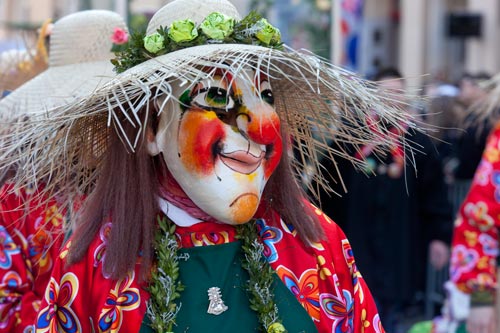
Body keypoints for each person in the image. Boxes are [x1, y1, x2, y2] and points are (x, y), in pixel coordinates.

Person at [1, 1, 423, 332]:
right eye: (217, 98)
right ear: (152, 131)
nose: (259, 125)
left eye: (266, 96)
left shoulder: (318, 245)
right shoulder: (95, 262)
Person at [0, 10, 128, 332]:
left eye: (118, 110)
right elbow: (6, 306)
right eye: (92, 112)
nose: (105, 127)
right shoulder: (16, 201)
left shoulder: (156, 188)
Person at [315, 67, 453, 331]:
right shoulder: (350, 139)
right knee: (355, 297)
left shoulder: (417, 142)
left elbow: (435, 195)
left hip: (400, 240)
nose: (393, 98)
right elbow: (324, 188)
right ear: (371, 96)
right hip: (357, 237)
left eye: (398, 92)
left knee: (390, 308)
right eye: (386, 92)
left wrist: (440, 236)